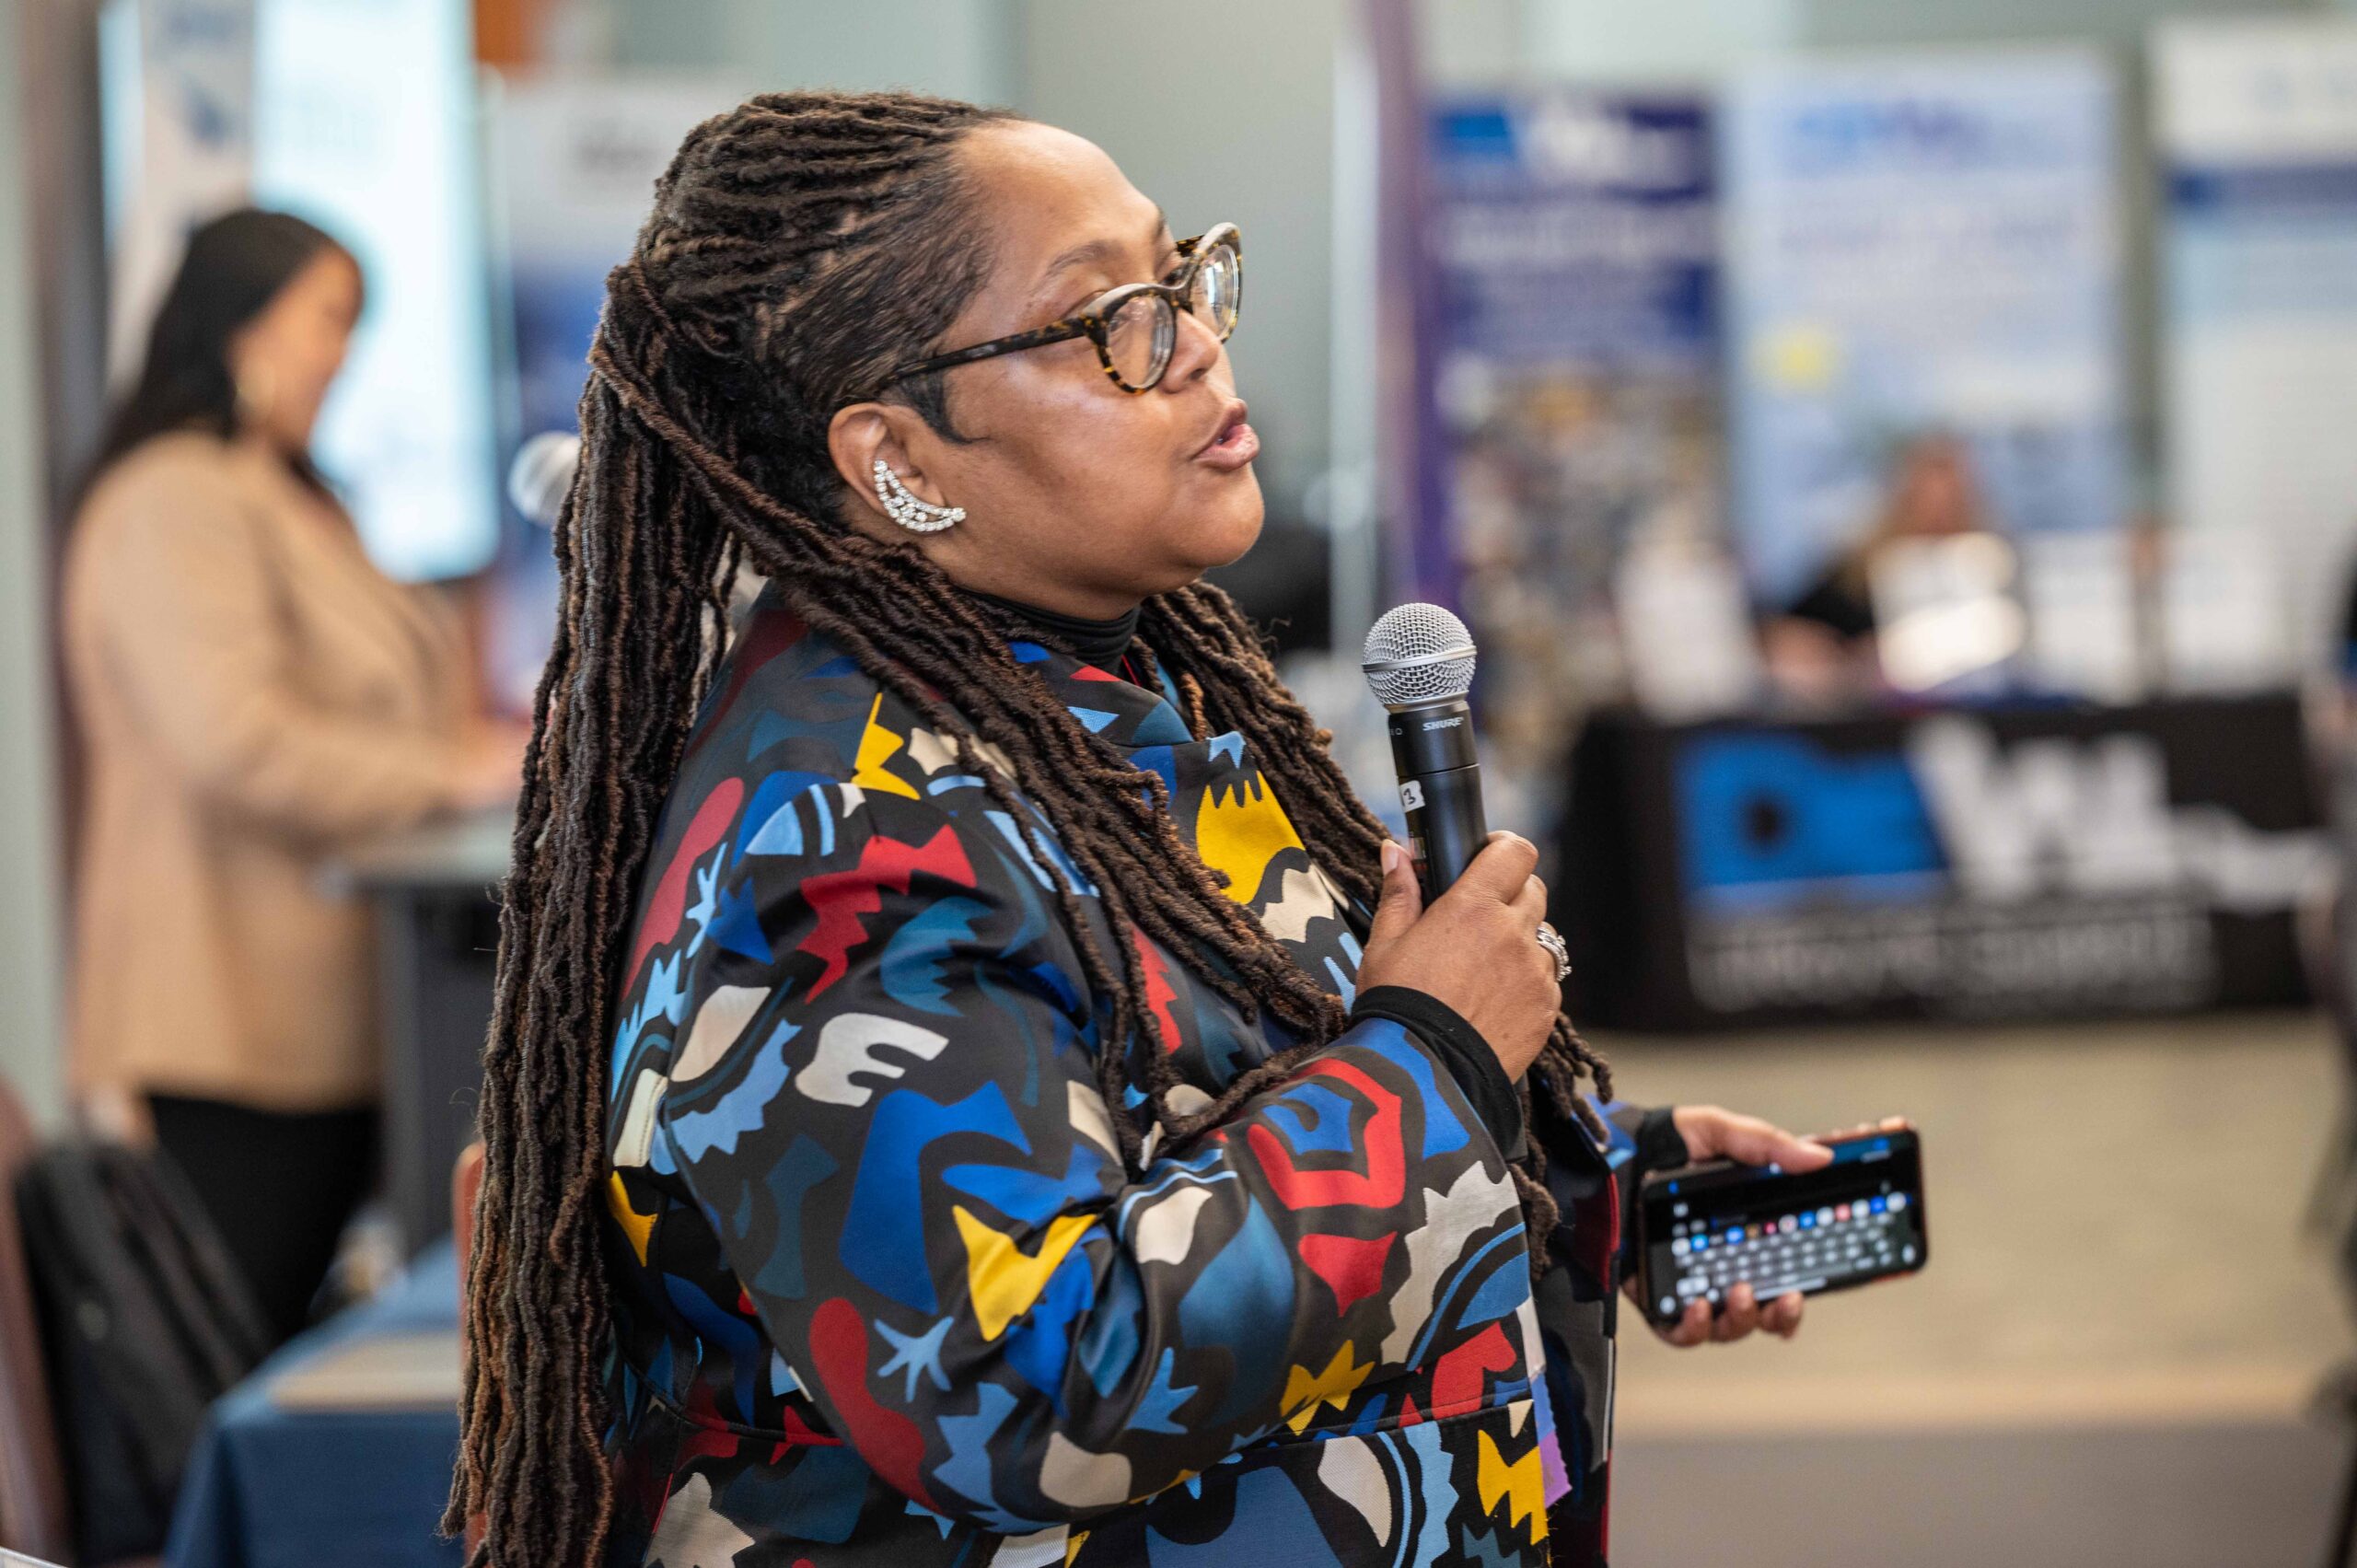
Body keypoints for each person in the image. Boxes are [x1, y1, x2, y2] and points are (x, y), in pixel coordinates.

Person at [452, 93, 1831, 1568]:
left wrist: (1590, 1173)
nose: (1194, 344)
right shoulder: (846, 832)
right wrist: (1435, 1063)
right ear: (901, 456)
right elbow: (1030, 1381)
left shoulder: (1107, 701)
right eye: (1107, 319)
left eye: (1178, 277)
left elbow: (1210, 1107)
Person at [63, 208, 520, 1344]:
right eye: (329, 318)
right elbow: (236, 738)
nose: (343, 353)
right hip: (226, 1028)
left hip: (331, 1023)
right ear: (243, 321)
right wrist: (450, 772)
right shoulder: (175, 496)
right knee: (232, 1358)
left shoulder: (294, 495)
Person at [1763, 432, 1991, 697]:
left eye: (1950, 504)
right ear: (1903, 500)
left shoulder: (1992, 570)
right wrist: (1844, 657)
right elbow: (1785, 627)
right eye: (1924, 501)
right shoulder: (1857, 573)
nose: (1936, 517)